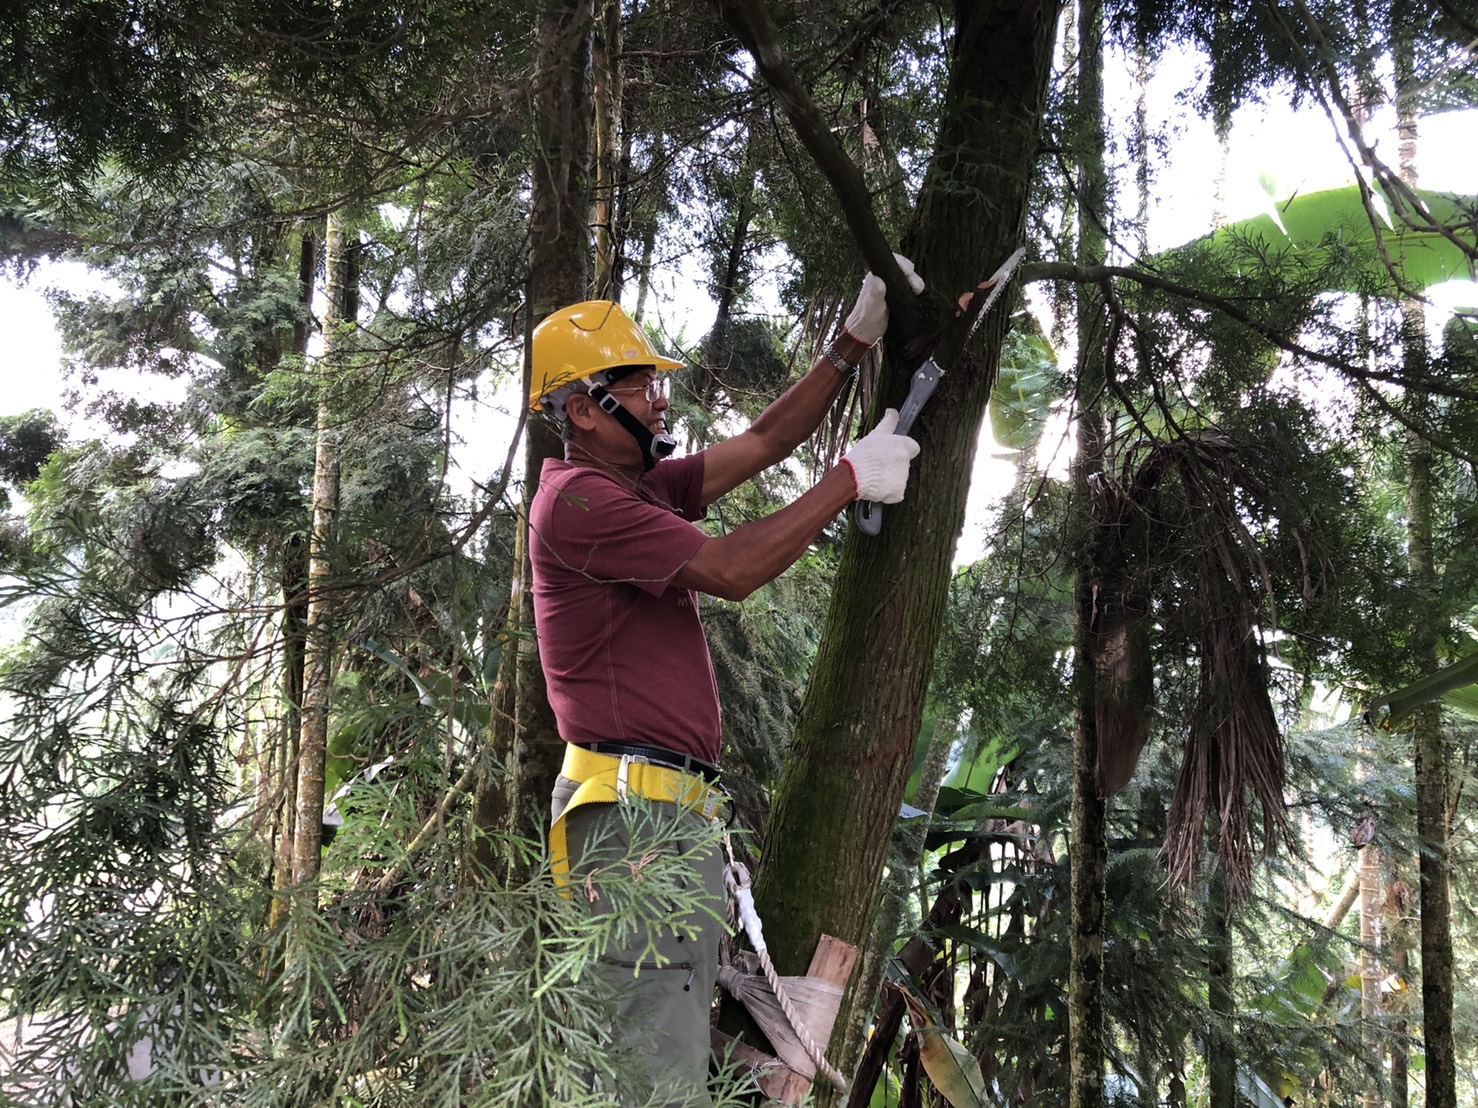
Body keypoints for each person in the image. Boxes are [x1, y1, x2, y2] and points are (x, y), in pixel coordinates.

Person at [528, 259, 923, 1105]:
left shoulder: (635, 488)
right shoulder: (580, 503)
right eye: (638, 387)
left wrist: (850, 345)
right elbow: (730, 569)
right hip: (632, 828)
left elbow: (766, 443)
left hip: (657, 821)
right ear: (584, 411)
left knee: (659, 1061)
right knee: (650, 1086)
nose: (658, 401)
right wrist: (851, 480)